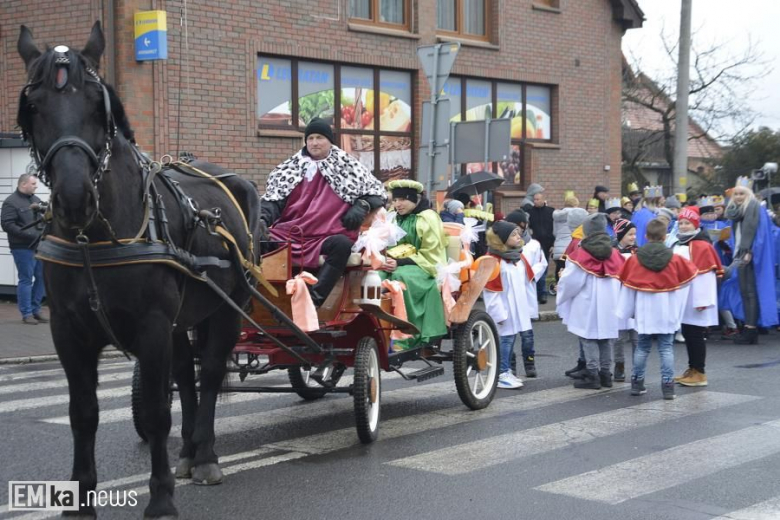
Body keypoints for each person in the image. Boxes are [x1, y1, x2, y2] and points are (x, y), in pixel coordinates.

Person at [261, 118, 387, 306]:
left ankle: (314, 300)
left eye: (319, 137)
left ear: (330, 140)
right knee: (257, 239)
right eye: (310, 138)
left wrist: (362, 206)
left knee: (342, 245)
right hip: (289, 233)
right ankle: (259, 298)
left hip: (327, 235)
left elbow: (376, 192)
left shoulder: (347, 165)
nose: (314, 142)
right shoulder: (289, 167)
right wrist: (261, 220)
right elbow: (273, 199)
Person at [617, 219, 697, 400]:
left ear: (646, 236)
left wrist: (626, 311)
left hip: (645, 309)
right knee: (666, 348)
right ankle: (668, 387)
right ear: (664, 236)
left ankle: (637, 384)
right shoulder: (675, 258)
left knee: (642, 347)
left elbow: (627, 285)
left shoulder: (636, 258)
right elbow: (688, 279)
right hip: (667, 308)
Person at [556, 213, 626, 389]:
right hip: (610, 302)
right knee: (605, 339)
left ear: (586, 232)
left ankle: (592, 375)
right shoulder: (615, 253)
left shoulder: (582, 253)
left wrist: (561, 294)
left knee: (589, 338)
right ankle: (606, 375)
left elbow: (572, 282)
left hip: (587, 302)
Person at [380, 180, 448, 351]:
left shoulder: (428, 217)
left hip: (424, 266)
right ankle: (379, 330)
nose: (397, 204)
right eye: (394, 200)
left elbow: (432, 253)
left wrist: (399, 262)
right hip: (395, 263)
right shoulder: (392, 216)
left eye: (402, 199)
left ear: (414, 199)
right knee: (372, 277)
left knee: (400, 278)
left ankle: (408, 334)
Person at [719, 179, 779, 344]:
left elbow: (756, 233)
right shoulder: (737, 211)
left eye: (742, 193)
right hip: (740, 253)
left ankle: (751, 329)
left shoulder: (754, 208)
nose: (738, 197)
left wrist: (749, 252)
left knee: (750, 292)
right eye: (736, 194)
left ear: (749, 194)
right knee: (744, 291)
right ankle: (748, 327)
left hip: (749, 255)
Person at [671, 207, 723, 387]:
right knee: (688, 332)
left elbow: (706, 277)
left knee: (695, 335)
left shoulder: (701, 246)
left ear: (695, 224)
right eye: (681, 223)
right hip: (685, 299)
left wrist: (702, 301)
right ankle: (692, 368)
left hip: (696, 300)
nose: (683, 227)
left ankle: (700, 372)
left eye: (687, 223)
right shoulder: (681, 244)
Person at [483, 220, 533, 389]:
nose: (518, 236)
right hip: (504, 308)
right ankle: (501, 372)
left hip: (516, 306)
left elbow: (526, 281)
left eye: (518, 233)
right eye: (513, 234)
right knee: (504, 340)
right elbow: (491, 290)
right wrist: (498, 314)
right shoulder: (493, 260)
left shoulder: (517, 256)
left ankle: (506, 370)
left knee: (511, 338)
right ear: (502, 239)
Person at [1, 173, 47, 324]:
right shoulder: (10, 202)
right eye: (33, 184)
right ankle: (26, 314)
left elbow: (45, 219)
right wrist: (29, 235)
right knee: (26, 279)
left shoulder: (36, 200)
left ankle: (36, 310)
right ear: (23, 184)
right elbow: (7, 225)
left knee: (41, 278)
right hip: (22, 247)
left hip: (39, 246)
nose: (36, 186)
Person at [506, 209, 545, 378]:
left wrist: (530, 274)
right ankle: (510, 365)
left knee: (527, 333)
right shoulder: (504, 247)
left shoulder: (533, 245)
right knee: (509, 334)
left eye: (519, 227)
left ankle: (529, 363)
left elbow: (541, 263)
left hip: (526, 289)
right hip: (511, 293)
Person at [612, 218, 638, 381]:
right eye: (630, 234)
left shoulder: (637, 252)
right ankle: (619, 364)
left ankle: (638, 367)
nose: (633, 237)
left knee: (636, 335)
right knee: (619, 336)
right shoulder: (612, 252)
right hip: (618, 296)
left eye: (634, 234)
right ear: (620, 234)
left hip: (634, 295)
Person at [526, 189, 555, 305]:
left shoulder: (550, 212)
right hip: (535, 245)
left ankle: (541, 293)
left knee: (544, 268)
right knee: (536, 269)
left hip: (548, 244)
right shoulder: (530, 212)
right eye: (534, 200)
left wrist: (553, 244)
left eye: (538, 199)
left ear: (543, 200)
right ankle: (540, 293)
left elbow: (555, 229)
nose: (535, 201)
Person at [552, 194, 580, 290]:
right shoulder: (577, 215)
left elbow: (555, 232)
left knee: (560, 271)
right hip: (570, 248)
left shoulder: (557, 215)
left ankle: (558, 289)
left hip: (558, 248)